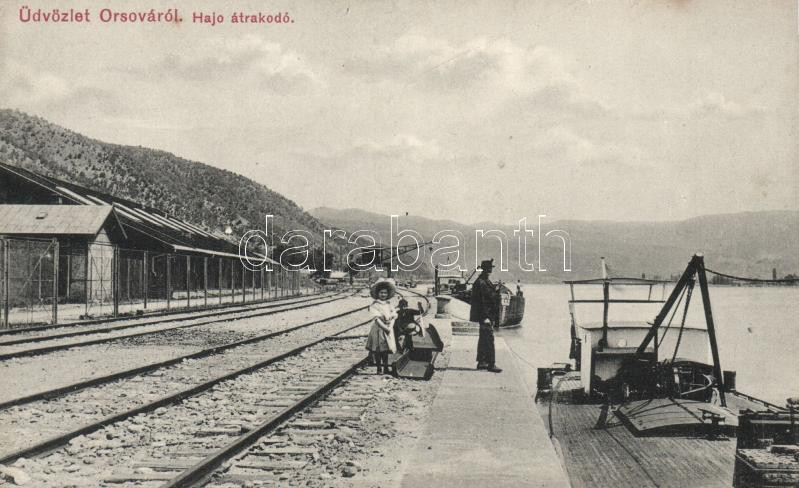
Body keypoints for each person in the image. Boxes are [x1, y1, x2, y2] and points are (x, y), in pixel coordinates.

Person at [470, 259, 502, 373]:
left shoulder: (483, 281)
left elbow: (488, 295)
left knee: (483, 338)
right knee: (489, 339)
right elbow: (483, 301)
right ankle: (491, 364)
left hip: (485, 315)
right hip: (485, 315)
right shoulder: (481, 282)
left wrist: (495, 290)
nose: (490, 270)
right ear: (484, 269)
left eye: (490, 268)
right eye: (488, 268)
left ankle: (482, 362)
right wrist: (486, 317)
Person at [365, 278, 397, 375]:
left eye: (385, 293)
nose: (383, 295)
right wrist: (385, 328)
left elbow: (393, 316)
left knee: (386, 349)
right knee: (378, 349)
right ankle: (379, 368)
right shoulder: (375, 305)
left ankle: (386, 367)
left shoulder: (389, 304)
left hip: (388, 328)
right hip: (379, 329)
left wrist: (390, 326)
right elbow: (376, 319)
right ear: (378, 294)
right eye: (381, 293)